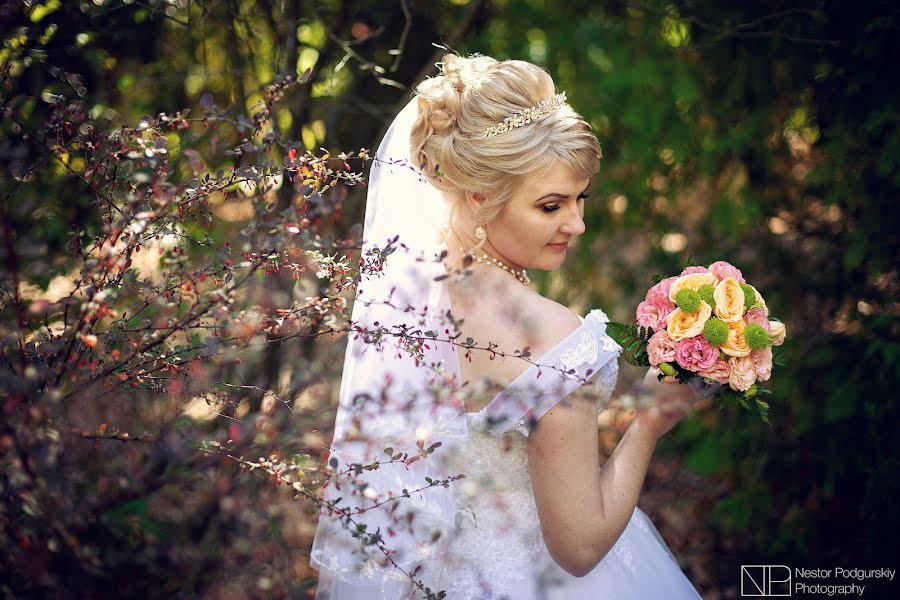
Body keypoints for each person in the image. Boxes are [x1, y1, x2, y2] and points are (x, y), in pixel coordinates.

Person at [310, 53, 704, 600]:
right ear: (479, 195)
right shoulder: (552, 337)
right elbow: (581, 547)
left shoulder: (406, 299)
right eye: (551, 206)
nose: (577, 224)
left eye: (579, 199)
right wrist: (651, 422)